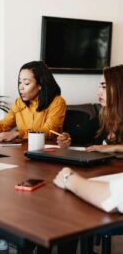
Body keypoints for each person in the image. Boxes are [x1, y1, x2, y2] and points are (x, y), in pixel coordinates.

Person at [55, 65, 123, 211]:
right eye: (100, 86)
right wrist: (67, 138)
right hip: (99, 185)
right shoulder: (103, 117)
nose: (98, 92)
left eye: (104, 87)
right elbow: (77, 135)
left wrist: (116, 147)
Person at [0, 61, 66, 142]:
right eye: (20, 82)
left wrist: (17, 133)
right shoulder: (19, 102)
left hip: (47, 151)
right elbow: (3, 126)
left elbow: (48, 131)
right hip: (22, 150)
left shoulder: (57, 102)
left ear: (40, 85)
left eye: (26, 83)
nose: (21, 87)